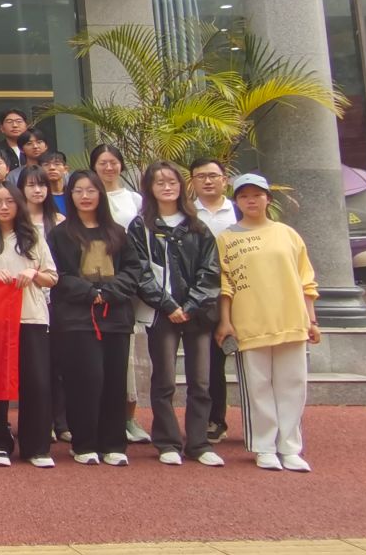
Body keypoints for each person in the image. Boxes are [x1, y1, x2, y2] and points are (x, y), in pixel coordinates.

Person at [216, 174, 321, 472]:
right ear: (236, 202)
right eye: (244, 196)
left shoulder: (288, 234)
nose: (251, 200)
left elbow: (306, 279)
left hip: (292, 320)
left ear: (268, 199)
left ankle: (290, 447)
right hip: (250, 323)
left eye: (257, 195)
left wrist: (312, 319)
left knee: (293, 385)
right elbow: (225, 284)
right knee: (257, 387)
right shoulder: (226, 238)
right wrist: (225, 322)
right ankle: (264, 447)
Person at [48, 170, 146, 466]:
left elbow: (133, 269)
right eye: (78, 191)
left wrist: (109, 292)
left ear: (100, 195)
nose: (85, 196)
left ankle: (113, 443)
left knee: (115, 381)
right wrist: (90, 293)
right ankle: (84, 443)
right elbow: (57, 273)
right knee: (85, 380)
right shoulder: (60, 234)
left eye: (91, 190)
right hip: (77, 319)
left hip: (115, 317)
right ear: (70, 196)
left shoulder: (117, 232)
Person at [130, 161, 223, 467]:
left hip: (198, 315)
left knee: (201, 381)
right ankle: (167, 441)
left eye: (172, 182)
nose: (167, 187)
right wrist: (168, 305)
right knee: (164, 380)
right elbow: (140, 272)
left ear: (182, 186)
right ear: (149, 188)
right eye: (160, 183)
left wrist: (191, 306)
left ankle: (198, 443)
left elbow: (210, 271)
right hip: (162, 314)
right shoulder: (141, 226)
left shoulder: (197, 225)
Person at [0, 183, 57, 467]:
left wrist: (33, 273)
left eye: (9, 201)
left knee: (36, 382)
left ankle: (36, 447)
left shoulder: (32, 236)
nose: (4, 207)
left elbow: (52, 277)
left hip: (31, 316)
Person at [88, 144, 148, 446]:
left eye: (113, 162)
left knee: (130, 358)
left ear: (121, 166)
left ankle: (129, 417)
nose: (108, 168)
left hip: (125, 285)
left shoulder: (135, 200)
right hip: (93, 286)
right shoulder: (88, 198)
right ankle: (101, 417)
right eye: (102, 162)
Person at [188, 157, 240, 445]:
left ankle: (260, 423)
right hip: (202, 297)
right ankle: (214, 419)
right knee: (210, 360)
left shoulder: (238, 211)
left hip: (240, 294)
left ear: (224, 180)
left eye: (213, 176)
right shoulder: (187, 214)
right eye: (200, 177)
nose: (207, 181)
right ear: (192, 182)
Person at [0, 109, 30, 174]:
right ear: (1, 128)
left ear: (26, 126)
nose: (15, 125)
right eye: (9, 122)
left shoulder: (35, 148)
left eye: (19, 121)